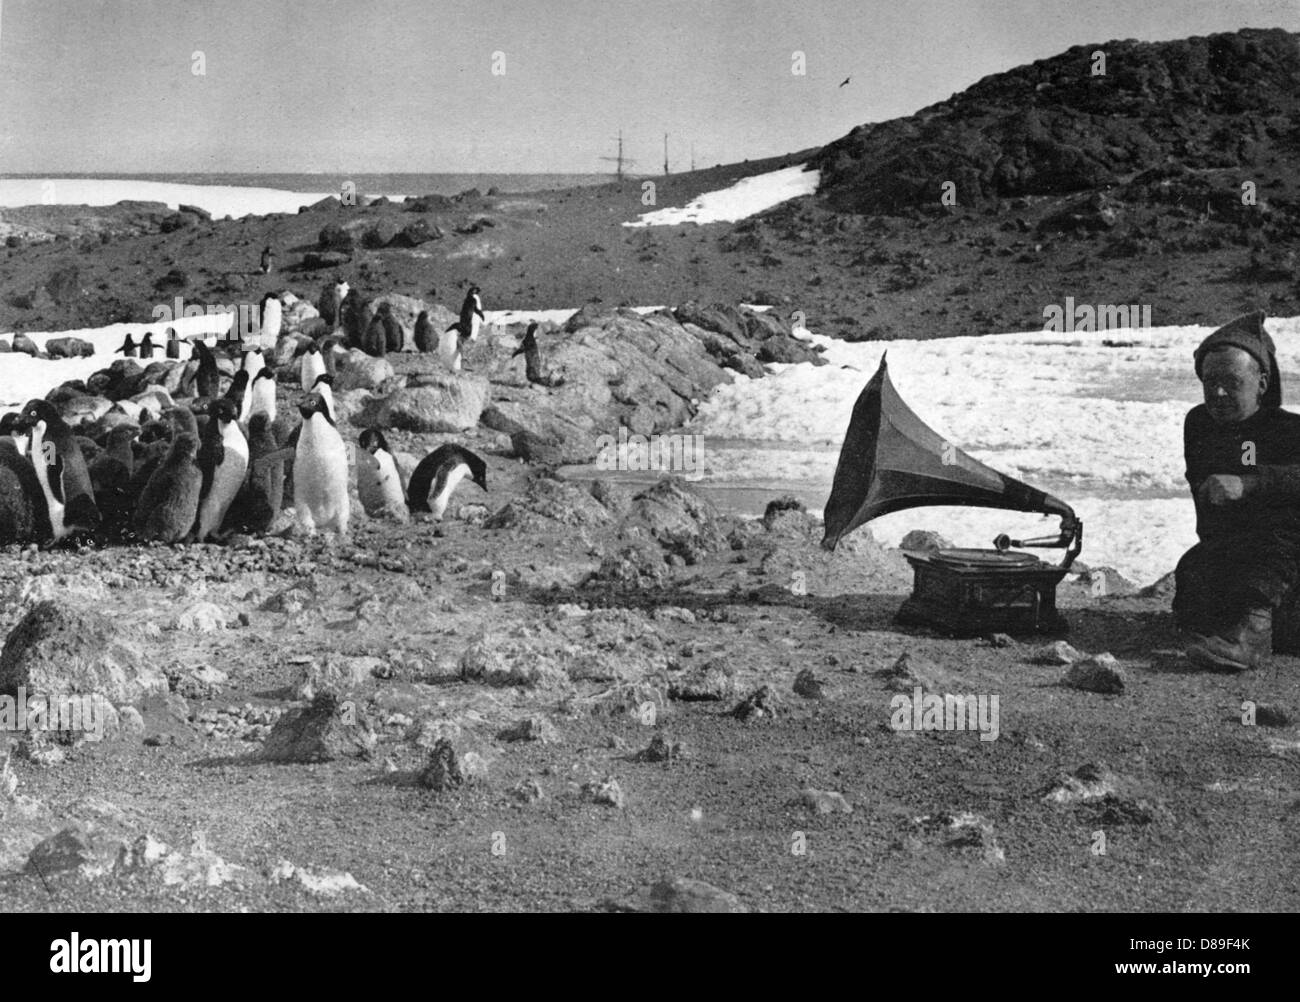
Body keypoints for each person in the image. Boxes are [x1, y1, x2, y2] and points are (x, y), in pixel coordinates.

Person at [1174, 311, 1300, 671]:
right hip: (1233, 548)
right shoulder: (1199, 424)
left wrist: (1250, 484)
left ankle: (1253, 638)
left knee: (1271, 548)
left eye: (1231, 382)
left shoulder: (1288, 430)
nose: (1218, 393)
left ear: (1261, 383)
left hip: (1285, 556)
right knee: (1194, 572)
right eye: (1210, 382)